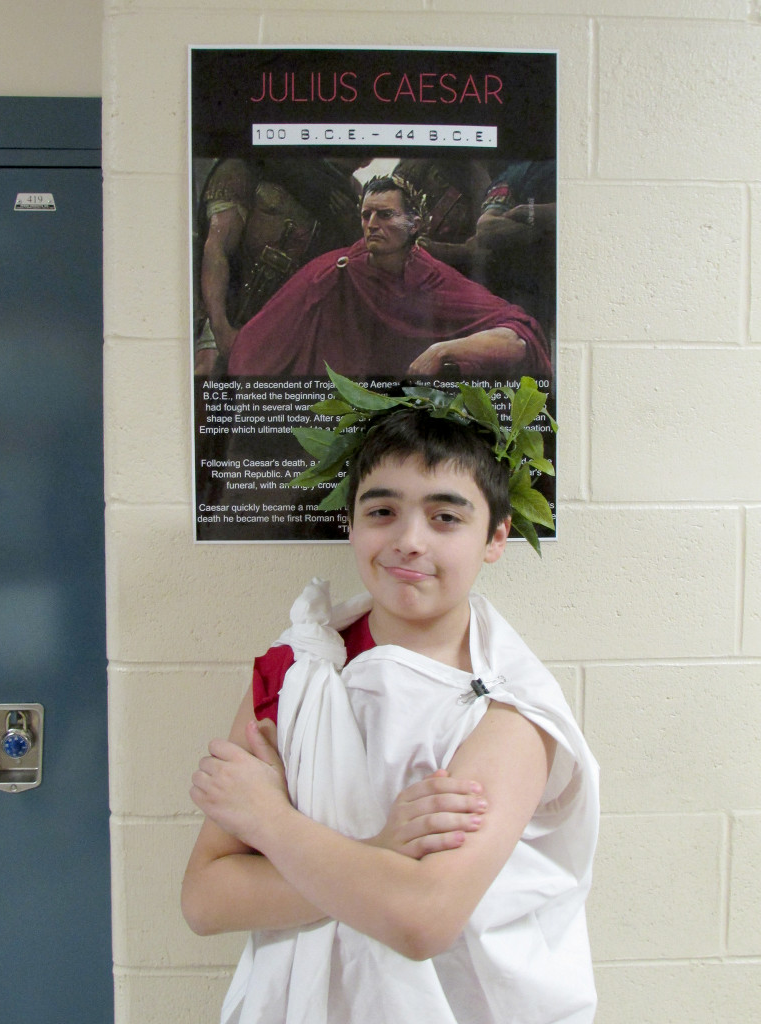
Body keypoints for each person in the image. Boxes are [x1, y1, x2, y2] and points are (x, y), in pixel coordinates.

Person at [182, 383, 599, 1024]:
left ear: (496, 536)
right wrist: (381, 855)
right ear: (350, 523)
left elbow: (421, 919)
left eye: (446, 517)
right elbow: (206, 899)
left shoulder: (510, 714)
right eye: (382, 512)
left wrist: (269, 821)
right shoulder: (296, 669)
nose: (409, 540)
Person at [226, 176, 552, 381]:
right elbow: (255, 349)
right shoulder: (332, 273)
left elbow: (518, 336)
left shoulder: (434, 277)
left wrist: (442, 351)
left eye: (385, 215)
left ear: (415, 225)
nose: (371, 224)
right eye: (366, 215)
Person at [193, 156, 365, 374]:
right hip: (237, 310)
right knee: (207, 371)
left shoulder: (350, 193)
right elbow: (217, 248)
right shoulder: (242, 169)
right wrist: (220, 329)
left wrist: (351, 225)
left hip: (299, 324)